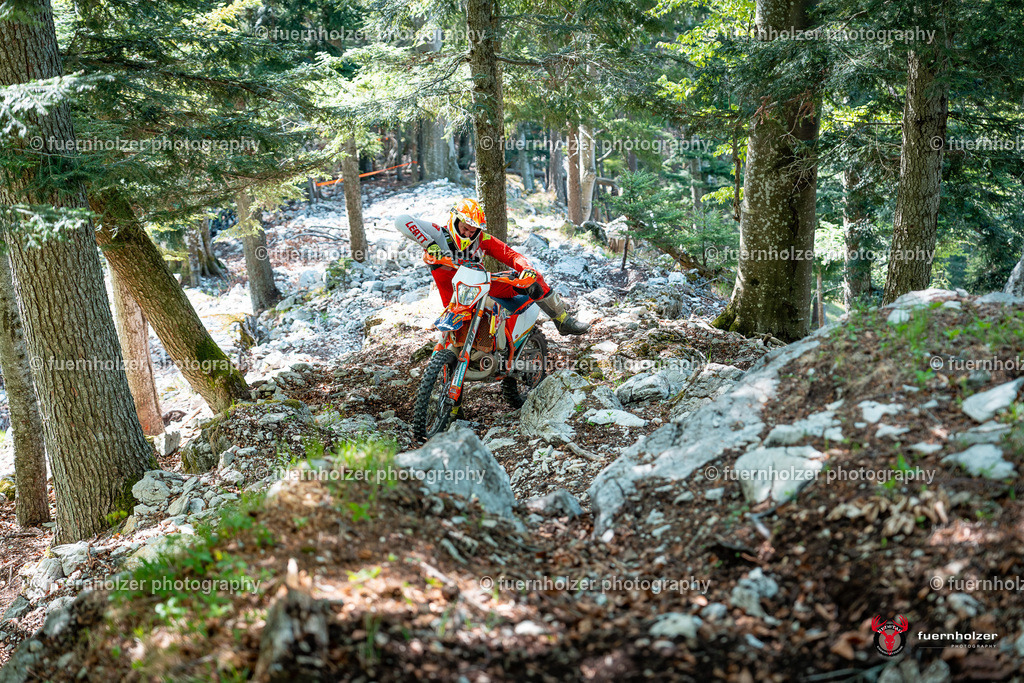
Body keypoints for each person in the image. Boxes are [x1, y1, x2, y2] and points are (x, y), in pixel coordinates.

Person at [394, 198, 590, 335]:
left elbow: (512, 256)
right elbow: (401, 220)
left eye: (473, 231)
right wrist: (430, 245)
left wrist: (526, 268)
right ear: (455, 221)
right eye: (465, 229)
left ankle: (563, 320)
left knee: (534, 278)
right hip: (455, 296)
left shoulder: (482, 239)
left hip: (481, 286)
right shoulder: (438, 234)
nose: (469, 235)